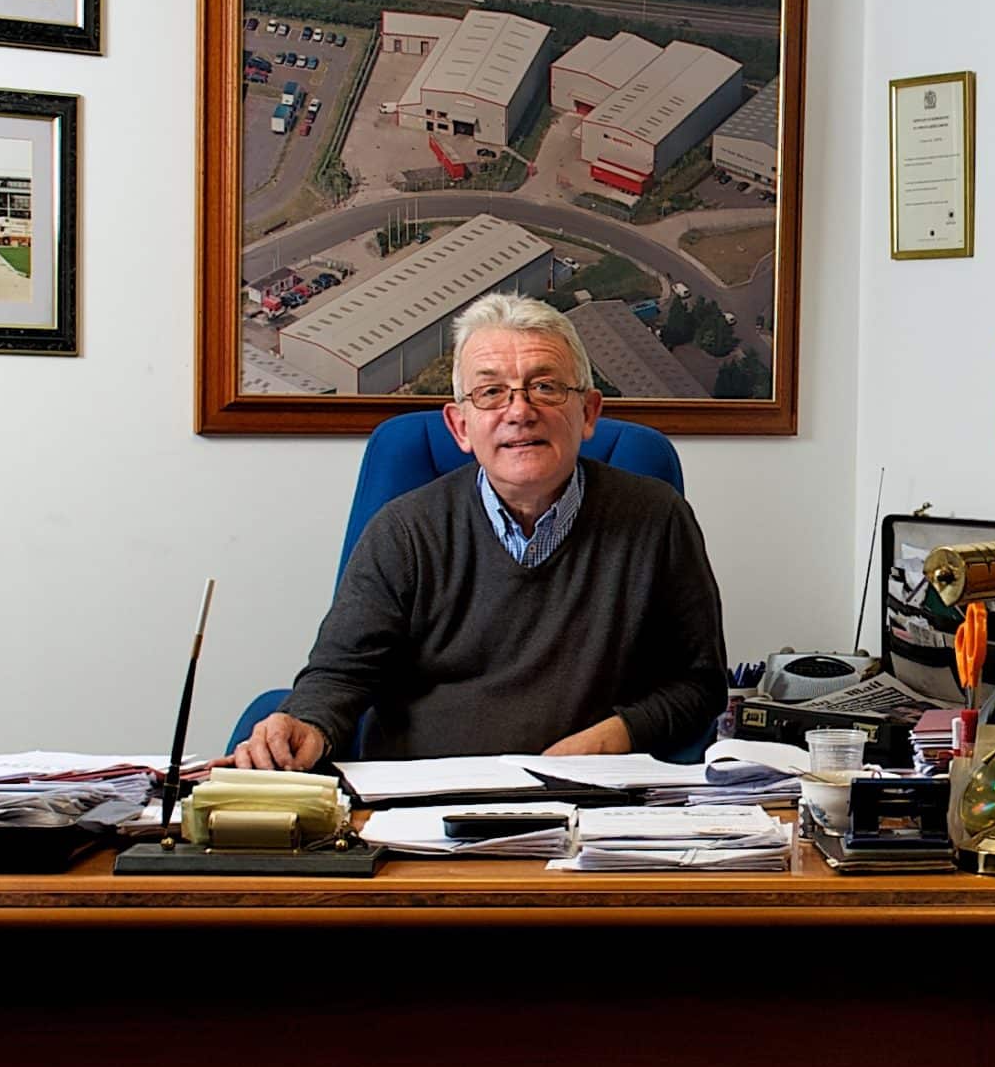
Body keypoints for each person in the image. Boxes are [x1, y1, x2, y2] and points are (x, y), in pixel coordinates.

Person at [236, 294, 726, 766]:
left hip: (588, 807)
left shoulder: (656, 518)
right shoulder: (403, 531)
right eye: (491, 392)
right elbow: (340, 676)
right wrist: (305, 724)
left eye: (546, 387)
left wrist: (612, 739)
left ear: (589, 413)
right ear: (461, 426)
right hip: (423, 810)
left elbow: (699, 686)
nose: (519, 411)